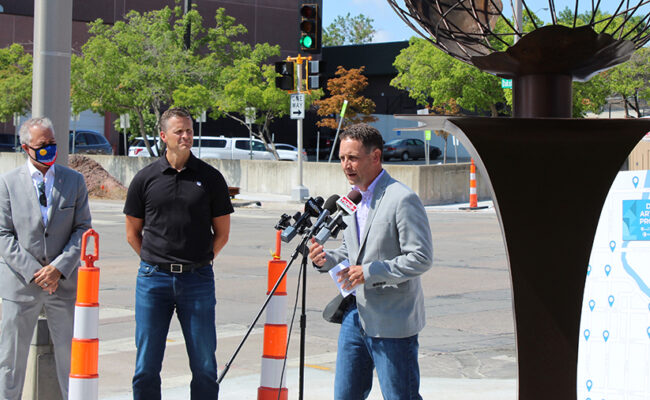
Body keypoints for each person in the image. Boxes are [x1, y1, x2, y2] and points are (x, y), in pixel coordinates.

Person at [308, 123, 433, 400]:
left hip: (393, 320)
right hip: (355, 316)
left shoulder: (402, 199)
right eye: (342, 158)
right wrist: (325, 259)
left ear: (375, 157)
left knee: (400, 396)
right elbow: (349, 249)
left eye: (352, 158)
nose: (345, 165)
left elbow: (421, 258)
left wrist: (370, 272)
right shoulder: (351, 200)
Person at [123, 107, 233, 400]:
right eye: (178, 131)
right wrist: (153, 260)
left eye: (189, 130)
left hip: (197, 280)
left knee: (205, 364)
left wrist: (201, 260)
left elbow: (222, 234)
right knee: (146, 365)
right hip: (152, 281)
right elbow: (133, 233)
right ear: (163, 136)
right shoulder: (145, 179)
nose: (185, 136)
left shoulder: (210, 179)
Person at [0, 117, 92, 399]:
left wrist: (58, 268)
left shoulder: (73, 181)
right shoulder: (8, 183)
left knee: (70, 360)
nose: (49, 150)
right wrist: (34, 272)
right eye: (42, 145)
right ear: (26, 147)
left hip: (61, 285)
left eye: (52, 144)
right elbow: (3, 234)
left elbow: (83, 229)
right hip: (21, 286)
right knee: (10, 363)